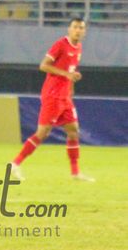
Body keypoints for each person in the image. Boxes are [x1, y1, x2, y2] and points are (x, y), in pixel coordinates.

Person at [10, 18, 94, 182]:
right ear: (69, 29)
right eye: (75, 27)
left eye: (81, 28)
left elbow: (70, 70)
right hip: (53, 95)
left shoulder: (78, 48)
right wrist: (66, 75)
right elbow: (44, 65)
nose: (78, 30)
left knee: (73, 131)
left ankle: (75, 172)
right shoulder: (61, 44)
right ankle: (15, 163)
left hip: (65, 97)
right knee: (42, 133)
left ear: (84, 31)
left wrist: (70, 89)